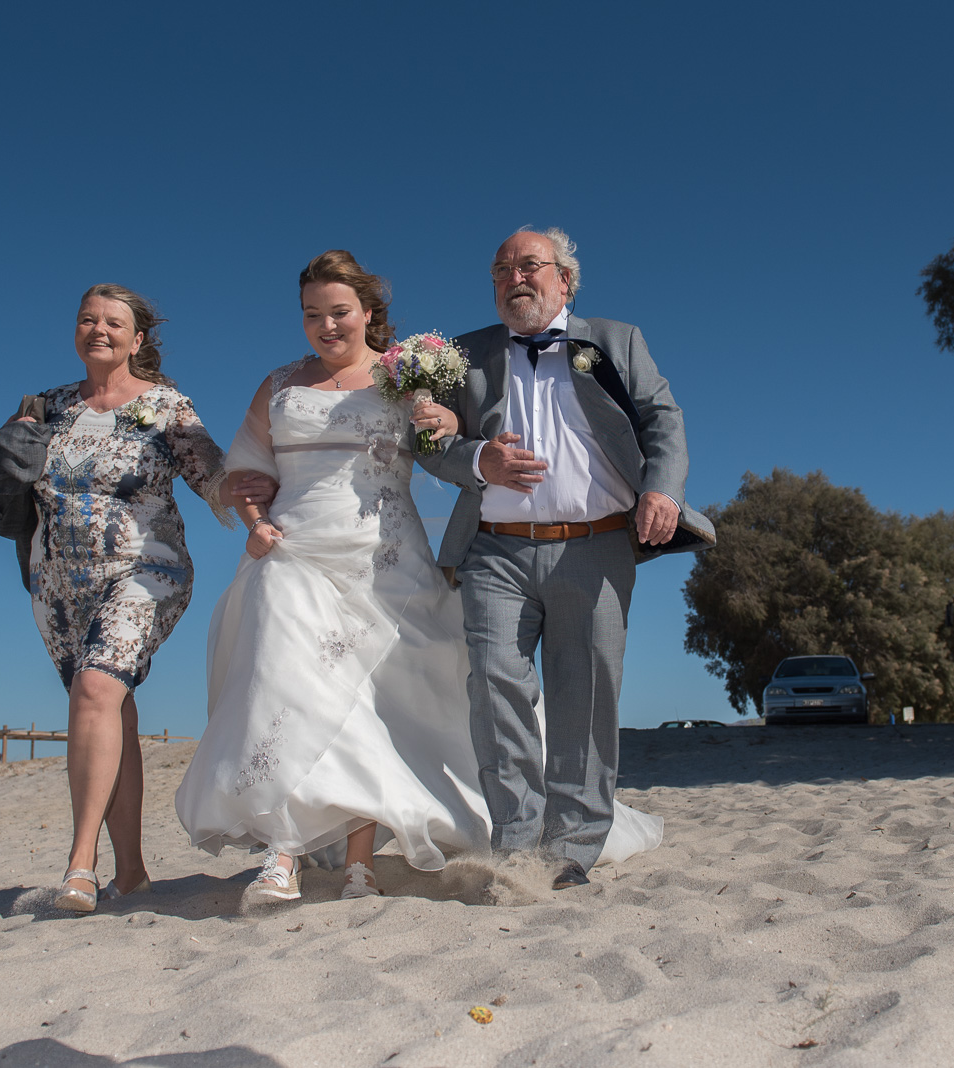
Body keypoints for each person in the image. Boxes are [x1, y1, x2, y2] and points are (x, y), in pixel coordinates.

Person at [173, 251, 482, 902]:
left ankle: (360, 864)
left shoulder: (404, 376)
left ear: (369, 312)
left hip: (383, 553)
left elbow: (442, 443)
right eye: (312, 315)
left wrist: (447, 420)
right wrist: (254, 518)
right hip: (292, 548)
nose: (326, 326)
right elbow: (244, 471)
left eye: (339, 312)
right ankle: (282, 855)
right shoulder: (280, 383)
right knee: (284, 691)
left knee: (370, 703)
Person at [414, 227, 714, 890]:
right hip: (494, 550)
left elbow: (664, 420)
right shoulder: (462, 355)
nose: (514, 278)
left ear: (565, 280)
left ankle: (572, 848)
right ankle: (517, 844)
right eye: (500, 270)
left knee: (584, 696)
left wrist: (663, 487)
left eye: (529, 266)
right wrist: (474, 459)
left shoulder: (617, 341)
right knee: (495, 686)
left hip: (598, 547)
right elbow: (428, 442)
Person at [0, 283, 273, 914]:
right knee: (108, 708)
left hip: (148, 571)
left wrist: (270, 509)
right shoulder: (47, 405)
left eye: (114, 323)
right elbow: (13, 483)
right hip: (59, 581)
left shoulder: (164, 406)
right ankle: (134, 872)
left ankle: (79, 866)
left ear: (137, 339)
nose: (100, 331)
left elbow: (214, 478)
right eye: (88, 320)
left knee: (95, 689)